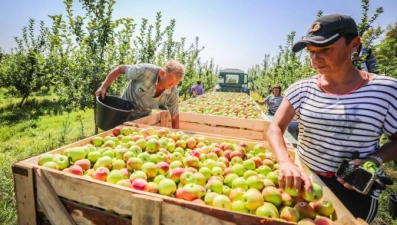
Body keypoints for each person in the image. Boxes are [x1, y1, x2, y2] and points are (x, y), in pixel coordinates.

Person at [266, 14, 397, 223]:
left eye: (325, 49)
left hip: (355, 191)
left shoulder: (386, 91)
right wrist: (285, 162)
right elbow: (275, 128)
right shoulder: (301, 89)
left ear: (354, 44)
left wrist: (373, 160)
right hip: (306, 182)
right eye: (311, 52)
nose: (316, 59)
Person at [95, 60, 185, 129]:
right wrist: (103, 86)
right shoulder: (146, 71)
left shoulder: (173, 92)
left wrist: (175, 137)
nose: (172, 86)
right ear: (161, 73)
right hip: (122, 112)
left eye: (175, 83)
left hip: (142, 118)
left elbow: (175, 117)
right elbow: (121, 69)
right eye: (170, 82)